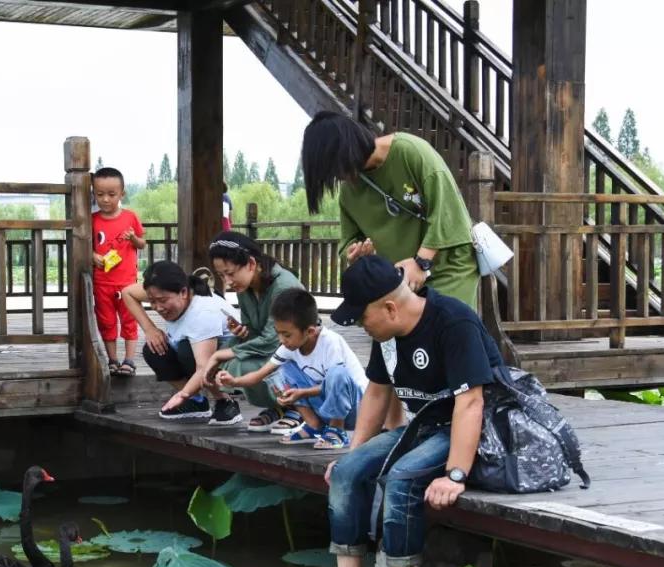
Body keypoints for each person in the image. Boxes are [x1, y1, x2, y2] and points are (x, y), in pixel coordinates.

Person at [291, 255, 502, 567]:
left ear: (389, 307)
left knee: (402, 476)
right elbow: (376, 391)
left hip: (474, 424)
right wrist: (351, 454)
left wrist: (455, 473)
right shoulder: (387, 336)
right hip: (424, 424)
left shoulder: (453, 321)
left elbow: (472, 402)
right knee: (348, 470)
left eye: (361, 317)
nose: (359, 325)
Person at [301, 111, 479, 308]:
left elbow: (447, 213)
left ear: (342, 151)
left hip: (448, 268)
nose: (334, 177)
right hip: (401, 280)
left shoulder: (410, 152)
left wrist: (421, 263)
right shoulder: (349, 192)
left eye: (330, 168)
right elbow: (348, 241)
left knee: (446, 328)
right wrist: (356, 254)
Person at [215, 288, 367, 450]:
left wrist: (301, 393)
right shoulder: (290, 347)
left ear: (309, 331)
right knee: (282, 369)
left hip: (356, 409)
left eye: (286, 335)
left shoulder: (331, 343)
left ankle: (337, 430)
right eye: (278, 333)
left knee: (337, 374)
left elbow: (335, 384)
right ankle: (313, 425)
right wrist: (234, 381)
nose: (282, 340)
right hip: (324, 408)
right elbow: (261, 374)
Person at [201, 232, 305, 434]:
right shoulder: (245, 288)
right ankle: (280, 406)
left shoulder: (284, 285)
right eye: (222, 275)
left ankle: (300, 406)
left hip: (299, 356)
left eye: (230, 273)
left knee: (238, 362)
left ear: (250, 263)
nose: (227, 282)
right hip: (276, 353)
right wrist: (243, 333)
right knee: (225, 357)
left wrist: (221, 354)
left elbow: (271, 340)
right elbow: (256, 331)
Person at [121, 261, 242, 425]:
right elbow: (127, 292)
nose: (158, 307)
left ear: (184, 292)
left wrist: (182, 395)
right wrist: (150, 329)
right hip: (196, 354)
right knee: (154, 349)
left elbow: (204, 367)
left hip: (233, 365)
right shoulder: (163, 292)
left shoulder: (203, 312)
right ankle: (196, 402)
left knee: (186, 349)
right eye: (152, 301)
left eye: (162, 300)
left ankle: (224, 400)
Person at [91, 166, 146, 377]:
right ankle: (112, 360)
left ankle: (129, 360)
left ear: (122, 194)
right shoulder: (92, 220)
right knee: (106, 321)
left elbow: (142, 243)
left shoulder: (130, 217)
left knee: (129, 319)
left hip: (127, 283)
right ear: (94, 194)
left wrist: (133, 239)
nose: (105, 199)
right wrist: (92, 255)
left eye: (111, 194)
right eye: (100, 194)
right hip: (102, 281)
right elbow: (85, 245)